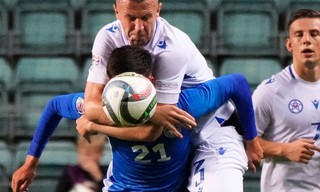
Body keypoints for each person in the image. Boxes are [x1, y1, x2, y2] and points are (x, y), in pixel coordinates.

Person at [12, 45, 260, 192]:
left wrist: (251, 139)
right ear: (108, 83)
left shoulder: (180, 104)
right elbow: (54, 106)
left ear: (152, 80)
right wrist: (30, 163)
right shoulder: (98, 106)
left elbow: (237, 83)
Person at [252, 9, 320, 191]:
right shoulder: (270, 91)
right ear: (290, 45)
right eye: (299, 35)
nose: (307, 40)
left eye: (314, 34)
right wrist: (284, 149)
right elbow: (243, 142)